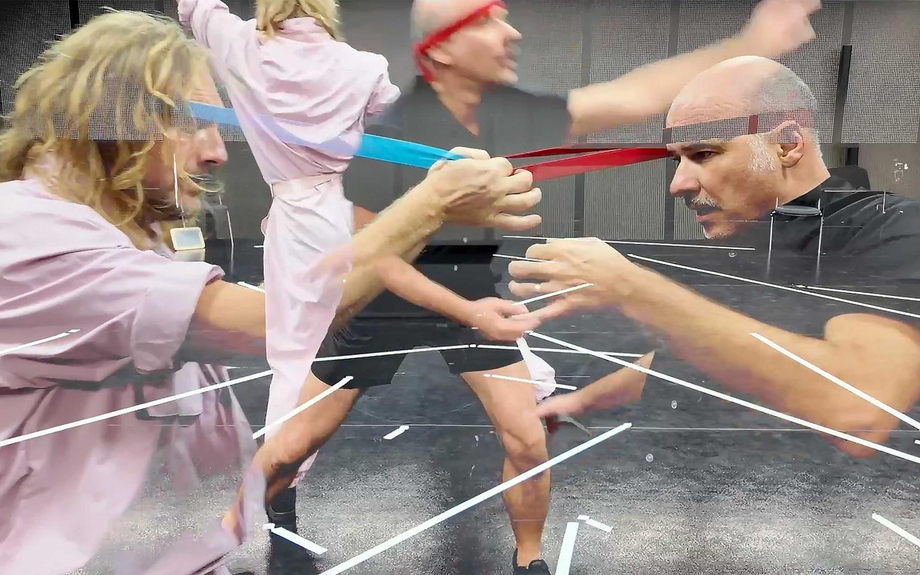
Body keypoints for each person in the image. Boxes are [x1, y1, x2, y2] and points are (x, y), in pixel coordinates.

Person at [263, 1, 823, 573]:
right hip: (391, 301)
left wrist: (751, 42)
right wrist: (470, 312)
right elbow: (376, 261)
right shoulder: (391, 133)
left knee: (526, 441)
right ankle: (273, 511)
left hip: (471, 290)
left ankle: (529, 561)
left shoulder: (515, 114)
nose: (510, 33)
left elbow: (633, 95)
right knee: (290, 448)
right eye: (486, 21)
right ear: (441, 49)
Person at [0, 10, 543, 574]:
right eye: (196, 122)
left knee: (519, 430)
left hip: (169, 558)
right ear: (115, 118)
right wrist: (430, 206)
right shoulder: (31, 236)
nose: (217, 153)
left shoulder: (117, 231)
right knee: (296, 421)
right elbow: (283, 322)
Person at [508, 56, 920, 461]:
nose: (678, 185)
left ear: (787, 144)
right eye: (678, 161)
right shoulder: (746, 236)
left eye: (704, 154)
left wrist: (632, 289)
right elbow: (701, 352)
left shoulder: (891, 227)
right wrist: (580, 402)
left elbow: (859, 412)